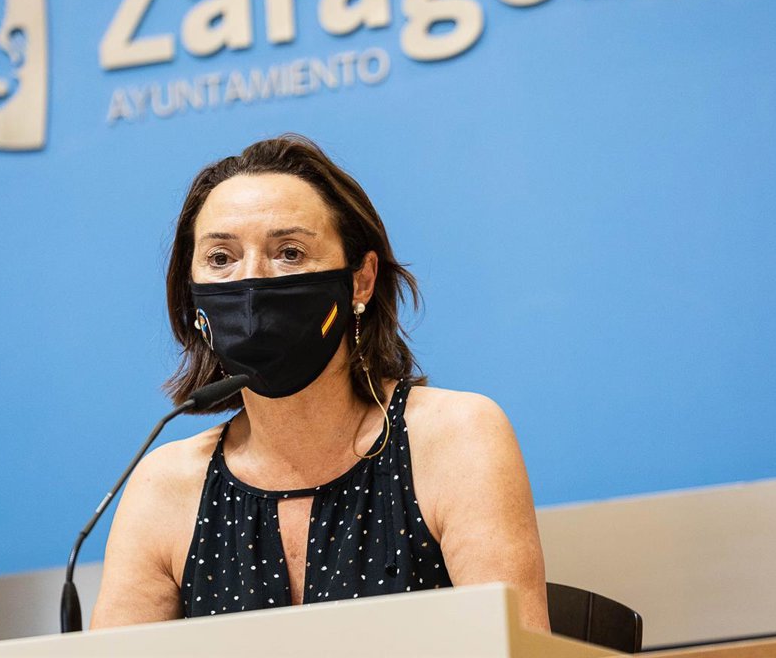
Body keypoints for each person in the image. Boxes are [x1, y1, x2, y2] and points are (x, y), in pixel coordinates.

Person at [91, 135, 549, 631]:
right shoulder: (165, 486)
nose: (252, 282)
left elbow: (516, 650)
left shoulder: (456, 438)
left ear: (361, 280)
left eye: (289, 252)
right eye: (221, 258)